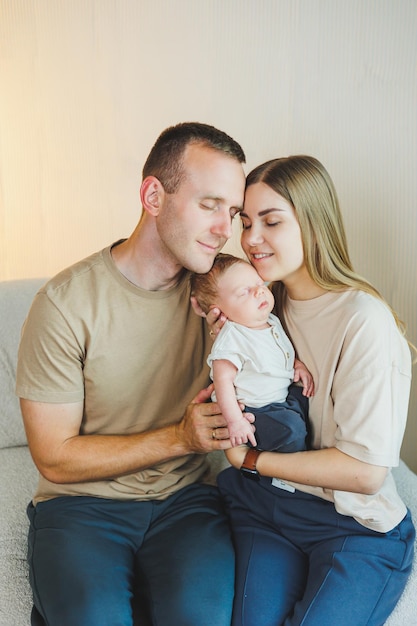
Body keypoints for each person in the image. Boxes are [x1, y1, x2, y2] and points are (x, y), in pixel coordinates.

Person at [15, 122, 251, 626]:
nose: (224, 228)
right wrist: (180, 438)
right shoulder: (63, 305)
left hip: (186, 504)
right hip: (81, 508)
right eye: (209, 204)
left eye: (232, 212)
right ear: (153, 195)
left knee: (203, 617)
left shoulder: (221, 297)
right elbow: (54, 457)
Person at [208, 156, 416, 625]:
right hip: (268, 508)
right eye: (246, 222)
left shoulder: (364, 322)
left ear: (314, 223)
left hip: (353, 524)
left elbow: (364, 473)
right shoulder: (261, 308)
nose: (250, 239)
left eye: (271, 221)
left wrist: (252, 461)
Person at [190, 253, 314, 450]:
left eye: (260, 283)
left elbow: (279, 351)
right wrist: (235, 421)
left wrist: (296, 365)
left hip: (280, 399)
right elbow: (223, 384)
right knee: (292, 429)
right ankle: (281, 473)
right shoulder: (232, 339)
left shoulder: (270, 321)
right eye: (244, 292)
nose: (259, 291)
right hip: (255, 410)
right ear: (219, 311)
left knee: (307, 404)